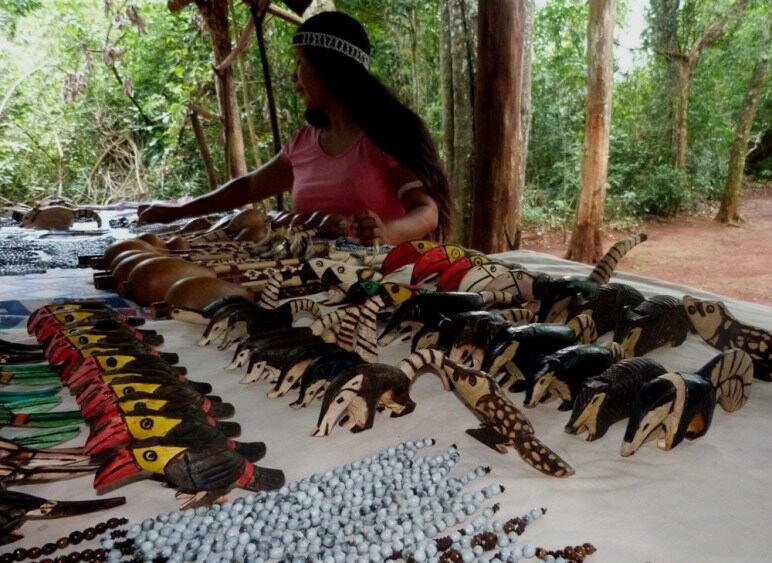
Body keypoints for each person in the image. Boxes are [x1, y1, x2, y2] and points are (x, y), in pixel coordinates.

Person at [138, 11, 451, 245]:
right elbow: (248, 188)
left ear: (329, 69)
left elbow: (427, 212)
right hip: (310, 281)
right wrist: (178, 211)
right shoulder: (304, 143)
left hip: (380, 283)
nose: (294, 77)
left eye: (300, 62)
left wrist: (386, 232)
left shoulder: (386, 134)